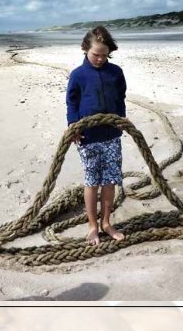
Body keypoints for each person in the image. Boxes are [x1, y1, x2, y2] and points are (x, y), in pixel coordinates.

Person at [66, 26, 126, 246]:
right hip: (88, 137)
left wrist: (122, 120)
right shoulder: (78, 75)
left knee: (110, 180)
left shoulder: (116, 72)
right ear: (85, 49)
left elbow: (121, 98)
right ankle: (92, 225)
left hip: (111, 134)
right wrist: (73, 125)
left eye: (104, 55)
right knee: (92, 182)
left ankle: (106, 223)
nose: (100, 59)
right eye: (95, 54)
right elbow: (72, 102)